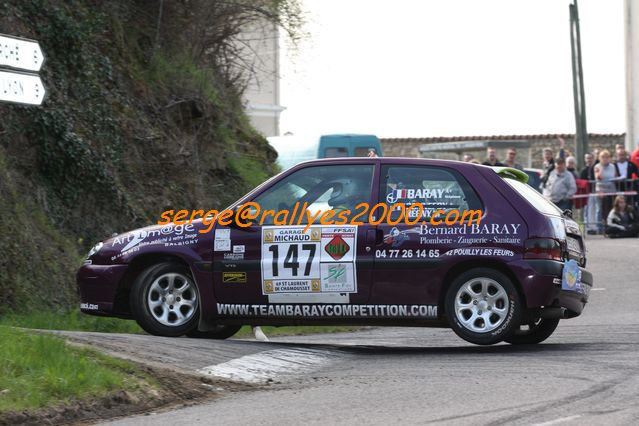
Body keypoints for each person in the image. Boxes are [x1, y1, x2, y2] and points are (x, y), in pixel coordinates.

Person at [594, 150, 619, 232]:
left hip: (611, 190)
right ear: (599, 158)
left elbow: (615, 176)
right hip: (601, 190)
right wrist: (602, 167)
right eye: (603, 157)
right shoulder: (597, 166)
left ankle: (611, 226)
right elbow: (598, 177)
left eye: (607, 157)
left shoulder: (613, 166)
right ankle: (599, 228)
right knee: (600, 209)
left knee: (611, 208)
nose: (605, 159)